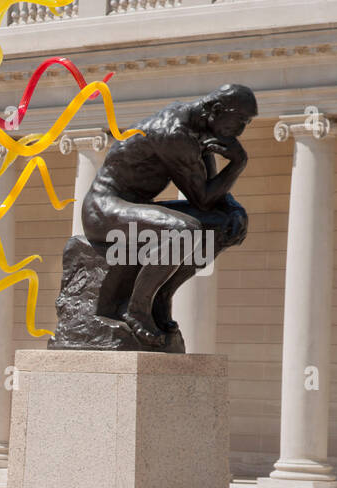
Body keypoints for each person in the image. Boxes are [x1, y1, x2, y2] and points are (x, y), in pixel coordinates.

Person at [81, 84, 257, 347]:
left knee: (223, 225)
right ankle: (136, 308)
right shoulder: (175, 133)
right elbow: (203, 198)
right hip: (104, 208)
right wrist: (239, 163)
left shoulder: (199, 131)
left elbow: (210, 195)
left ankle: (161, 296)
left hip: (135, 206)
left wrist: (233, 210)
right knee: (184, 230)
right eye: (241, 121)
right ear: (217, 111)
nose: (241, 131)